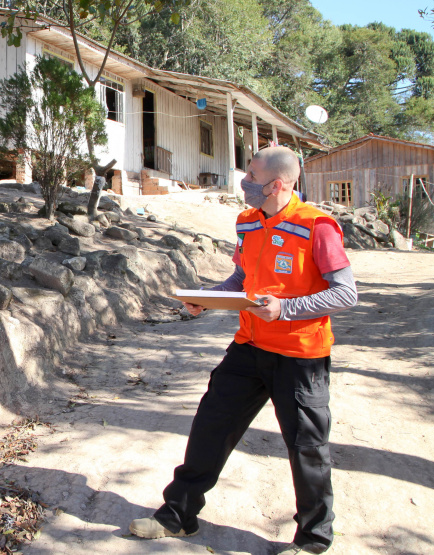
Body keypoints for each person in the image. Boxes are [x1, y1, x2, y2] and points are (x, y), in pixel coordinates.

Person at [129, 146, 358, 554]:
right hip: (249, 347)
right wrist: (208, 297)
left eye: (251, 175)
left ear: (277, 184)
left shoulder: (316, 226)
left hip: (300, 356)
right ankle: (178, 516)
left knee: (308, 449)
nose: (244, 182)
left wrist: (286, 308)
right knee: (210, 426)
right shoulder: (247, 222)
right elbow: (240, 278)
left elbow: (345, 293)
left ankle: (313, 539)